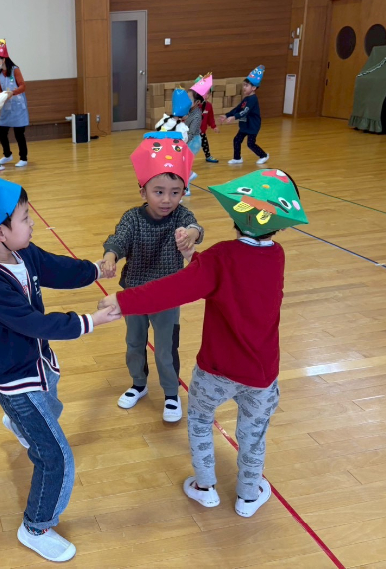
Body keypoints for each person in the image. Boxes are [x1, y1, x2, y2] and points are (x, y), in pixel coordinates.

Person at [99, 168, 308, 518]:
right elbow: (227, 278)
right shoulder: (277, 255)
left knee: (198, 420)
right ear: (280, 224)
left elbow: (178, 287)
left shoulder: (220, 257)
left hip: (216, 369)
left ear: (237, 213)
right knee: (253, 434)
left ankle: (205, 486)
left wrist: (124, 300)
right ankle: (248, 496)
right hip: (261, 373)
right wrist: (195, 258)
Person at [0, 159, 120, 562]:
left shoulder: (21, 253)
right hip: (14, 378)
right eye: (25, 218)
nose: (32, 223)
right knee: (56, 457)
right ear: (0, 232)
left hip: (37, 363)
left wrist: (95, 269)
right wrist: (91, 321)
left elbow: (56, 267)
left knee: (52, 403)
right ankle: (36, 526)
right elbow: (33, 322)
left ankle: (18, 422)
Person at [100, 135, 203, 422]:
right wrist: (110, 256)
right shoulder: (133, 218)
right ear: (143, 191)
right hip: (134, 293)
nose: (167, 199)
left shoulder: (181, 216)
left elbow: (195, 227)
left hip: (168, 295)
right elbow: (119, 238)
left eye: (175, 192)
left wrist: (190, 234)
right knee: (134, 342)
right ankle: (139, 384)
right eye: (159, 192)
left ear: (183, 192)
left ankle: (171, 393)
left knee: (166, 347)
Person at [219, 65, 269, 165]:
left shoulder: (253, 99)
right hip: (245, 125)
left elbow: (245, 111)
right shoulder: (246, 99)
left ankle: (263, 155)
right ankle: (237, 158)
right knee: (237, 140)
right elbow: (238, 108)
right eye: (244, 85)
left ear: (253, 88)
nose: (244, 87)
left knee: (250, 143)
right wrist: (227, 115)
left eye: (246, 85)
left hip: (252, 125)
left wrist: (234, 117)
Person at [0, 39, 29, 168]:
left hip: (18, 106)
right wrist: (0, 98)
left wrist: (12, 93)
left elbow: (23, 86)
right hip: (6, 107)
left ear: (3, 59)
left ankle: (23, 158)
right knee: (2, 132)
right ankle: (8, 155)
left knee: (19, 133)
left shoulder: (15, 70)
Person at [191, 74, 220, 163]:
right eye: (204, 93)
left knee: (205, 144)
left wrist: (214, 126)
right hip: (192, 131)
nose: (206, 95)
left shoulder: (209, 106)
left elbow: (210, 118)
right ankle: (185, 158)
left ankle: (208, 156)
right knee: (189, 145)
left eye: (208, 93)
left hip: (202, 131)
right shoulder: (194, 105)